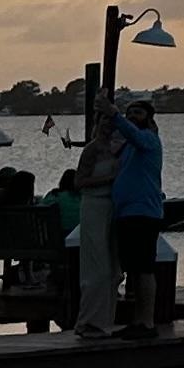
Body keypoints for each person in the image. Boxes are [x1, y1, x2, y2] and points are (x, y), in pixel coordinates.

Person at [110, 96, 167, 337]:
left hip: (143, 212)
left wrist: (115, 115)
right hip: (126, 213)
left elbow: (132, 133)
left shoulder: (149, 139)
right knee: (133, 269)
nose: (133, 116)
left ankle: (148, 322)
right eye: (130, 112)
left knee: (144, 268)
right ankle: (137, 321)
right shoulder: (128, 147)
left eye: (138, 113)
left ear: (149, 119)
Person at [71, 101, 121, 336]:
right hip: (94, 206)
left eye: (112, 120)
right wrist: (109, 179)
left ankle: (105, 320)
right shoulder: (91, 149)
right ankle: (88, 321)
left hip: (113, 208)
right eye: (104, 120)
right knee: (97, 267)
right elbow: (79, 181)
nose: (108, 125)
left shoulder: (119, 148)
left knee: (114, 270)